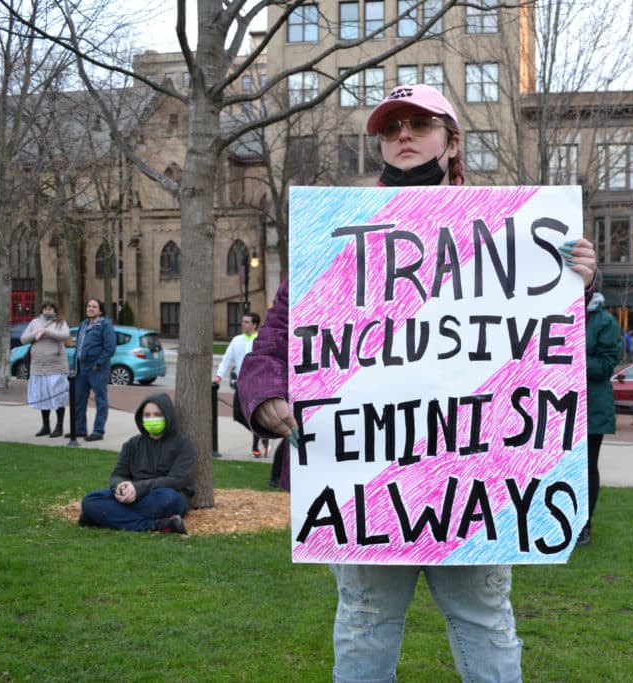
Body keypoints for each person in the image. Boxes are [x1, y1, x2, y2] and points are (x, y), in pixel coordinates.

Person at [238, 83, 601, 682]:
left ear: (452, 141)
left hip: (473, 481)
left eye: (420, 123)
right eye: (390, 127)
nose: (403, 135)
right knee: (364, 622)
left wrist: (573, 286)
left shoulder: (515, 231)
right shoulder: (335, 234)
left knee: (486, 622)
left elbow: (547, 353)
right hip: (367, 485)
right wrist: (265, 394)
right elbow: (275, 339)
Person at [78, 393, 195, 533]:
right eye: (147, 415)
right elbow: (117, 475)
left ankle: (100, 516)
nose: (152, 419)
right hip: (133, 496)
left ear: (168, 416)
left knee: (165, 500)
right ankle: (157, 525)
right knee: (90, 500)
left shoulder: (183, 445)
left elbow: (176, 480)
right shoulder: (132, 444)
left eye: (157, 414)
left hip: (167, 495)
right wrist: (121, 487)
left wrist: (139, 488)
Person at [578, 292, 623, 547]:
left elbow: (606, 366)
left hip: (592, 406)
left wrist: (571, 358)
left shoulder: (604, 321)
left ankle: (584, 523)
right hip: (564, 406)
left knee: (587, 465)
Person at [214, 312, 266, 458]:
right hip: (241, 384)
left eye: (247, 322)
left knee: (254, 415)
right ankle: (260, 433)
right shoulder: (237, 340)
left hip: (257, 384)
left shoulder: (261, 340)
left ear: (255, 325)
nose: (243, 324)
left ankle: (255, 446)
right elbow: (226, 359)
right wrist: (219, 376)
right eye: (243, 321)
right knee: (237, 414)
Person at [20, 300, 71, 437]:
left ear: (55, 310)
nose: (48, 311)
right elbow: (23, 339)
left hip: (56, 366)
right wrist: (37, 332)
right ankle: (46, 426)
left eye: (50, 309)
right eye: (45, 308)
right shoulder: (34, 322)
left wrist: (47, 331)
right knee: (43, 396)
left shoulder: (60, 322)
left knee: (57, 396)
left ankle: (59, 426)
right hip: (38, 366)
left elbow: (65, 335)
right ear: (41, 310)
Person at [73, 298, 116, 441]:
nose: (90, 308)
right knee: (79, 399)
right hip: (81, 369)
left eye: (94, 306)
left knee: (100, 400)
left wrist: (98, 364)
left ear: (100, 310)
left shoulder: (105, 325)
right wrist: (74, 365)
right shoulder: (83, 325)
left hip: (97, 369)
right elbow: (78, 347)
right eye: (89, 306)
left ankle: (98, 431)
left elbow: (110, 348)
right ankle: (80, 430)